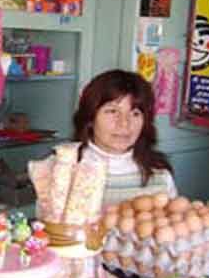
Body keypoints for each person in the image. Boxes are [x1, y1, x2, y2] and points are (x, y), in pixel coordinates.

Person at [73, 69, 177, 205]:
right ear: (90, 118)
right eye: (112, 111)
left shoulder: (160, 173)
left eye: (135, 113)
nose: (124, 123)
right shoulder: (64, 169)